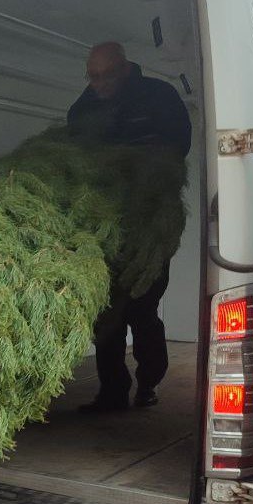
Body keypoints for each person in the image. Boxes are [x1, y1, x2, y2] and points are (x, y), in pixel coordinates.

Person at [67, 42, 192, 412]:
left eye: (105, 76)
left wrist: (135, 163)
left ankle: (149, 380)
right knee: (106, 312)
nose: (98, 84)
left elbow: (176, 148)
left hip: (151, 221)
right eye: (92, 76)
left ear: (124, 69)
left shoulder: (160, 96)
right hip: (106, 223)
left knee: (141, 306)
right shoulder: (84, 106)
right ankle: (112, 391)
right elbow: (75, 152)